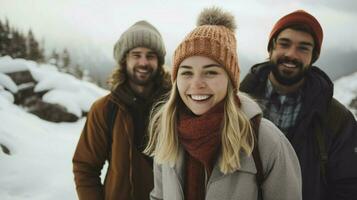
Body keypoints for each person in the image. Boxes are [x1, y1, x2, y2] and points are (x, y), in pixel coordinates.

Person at [144, 7, 302, 200]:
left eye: (211, 72)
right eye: (186, 72)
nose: (196, 84)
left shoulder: (265, 141)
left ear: (231, 81)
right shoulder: (168, 134)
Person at [240, 10, 357, 200]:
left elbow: (348, 187)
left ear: (313, 57)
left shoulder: (337, 119)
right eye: (284, 44)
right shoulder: (235, 106)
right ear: (271, 49)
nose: (291, 54)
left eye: (303, 48)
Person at [72, 20, 171, 200]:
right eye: (136, 54)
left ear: (159, 61)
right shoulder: (104, 109)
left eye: (150, 55)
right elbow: (85, 167)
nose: (143, 62)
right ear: (124, 59)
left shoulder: (174, 107)